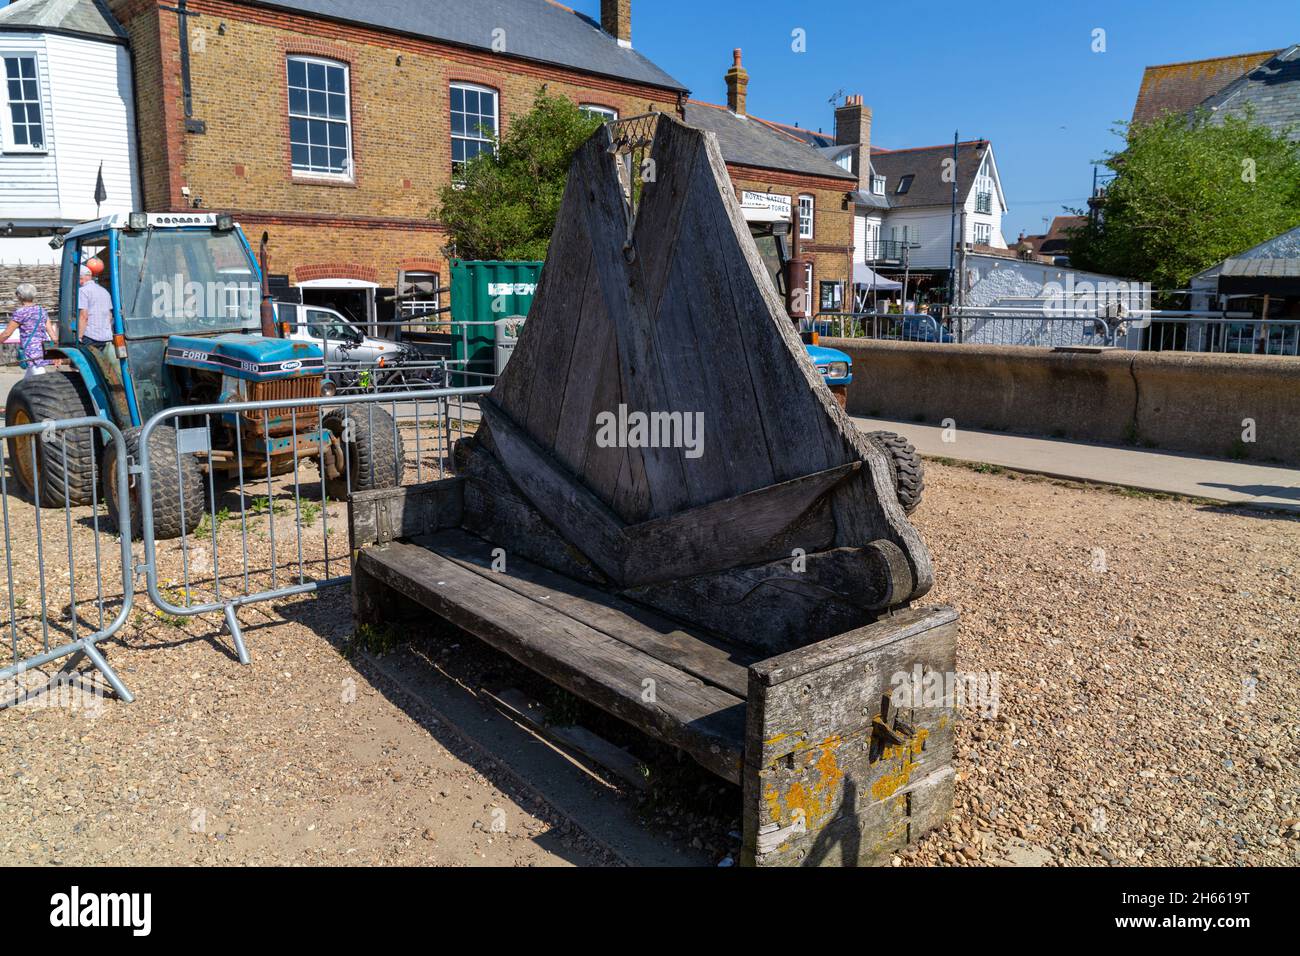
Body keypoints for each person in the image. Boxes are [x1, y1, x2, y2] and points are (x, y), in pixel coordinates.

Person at [2, 283, 57, 380]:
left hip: (31, 349)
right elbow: (51, 333)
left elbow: (7, 333)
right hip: (43, 347)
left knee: (39, 376)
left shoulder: (20, 312)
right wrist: (57, 352)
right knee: (29, 379)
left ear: (19, 296)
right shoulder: (41, 311)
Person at [77, 264, 114, 347]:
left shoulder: (83, 291)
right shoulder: (105, 291)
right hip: (106, 337)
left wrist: (79, 337)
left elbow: (84, 316)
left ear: (81, 278)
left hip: (90, 337)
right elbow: (110, 316)